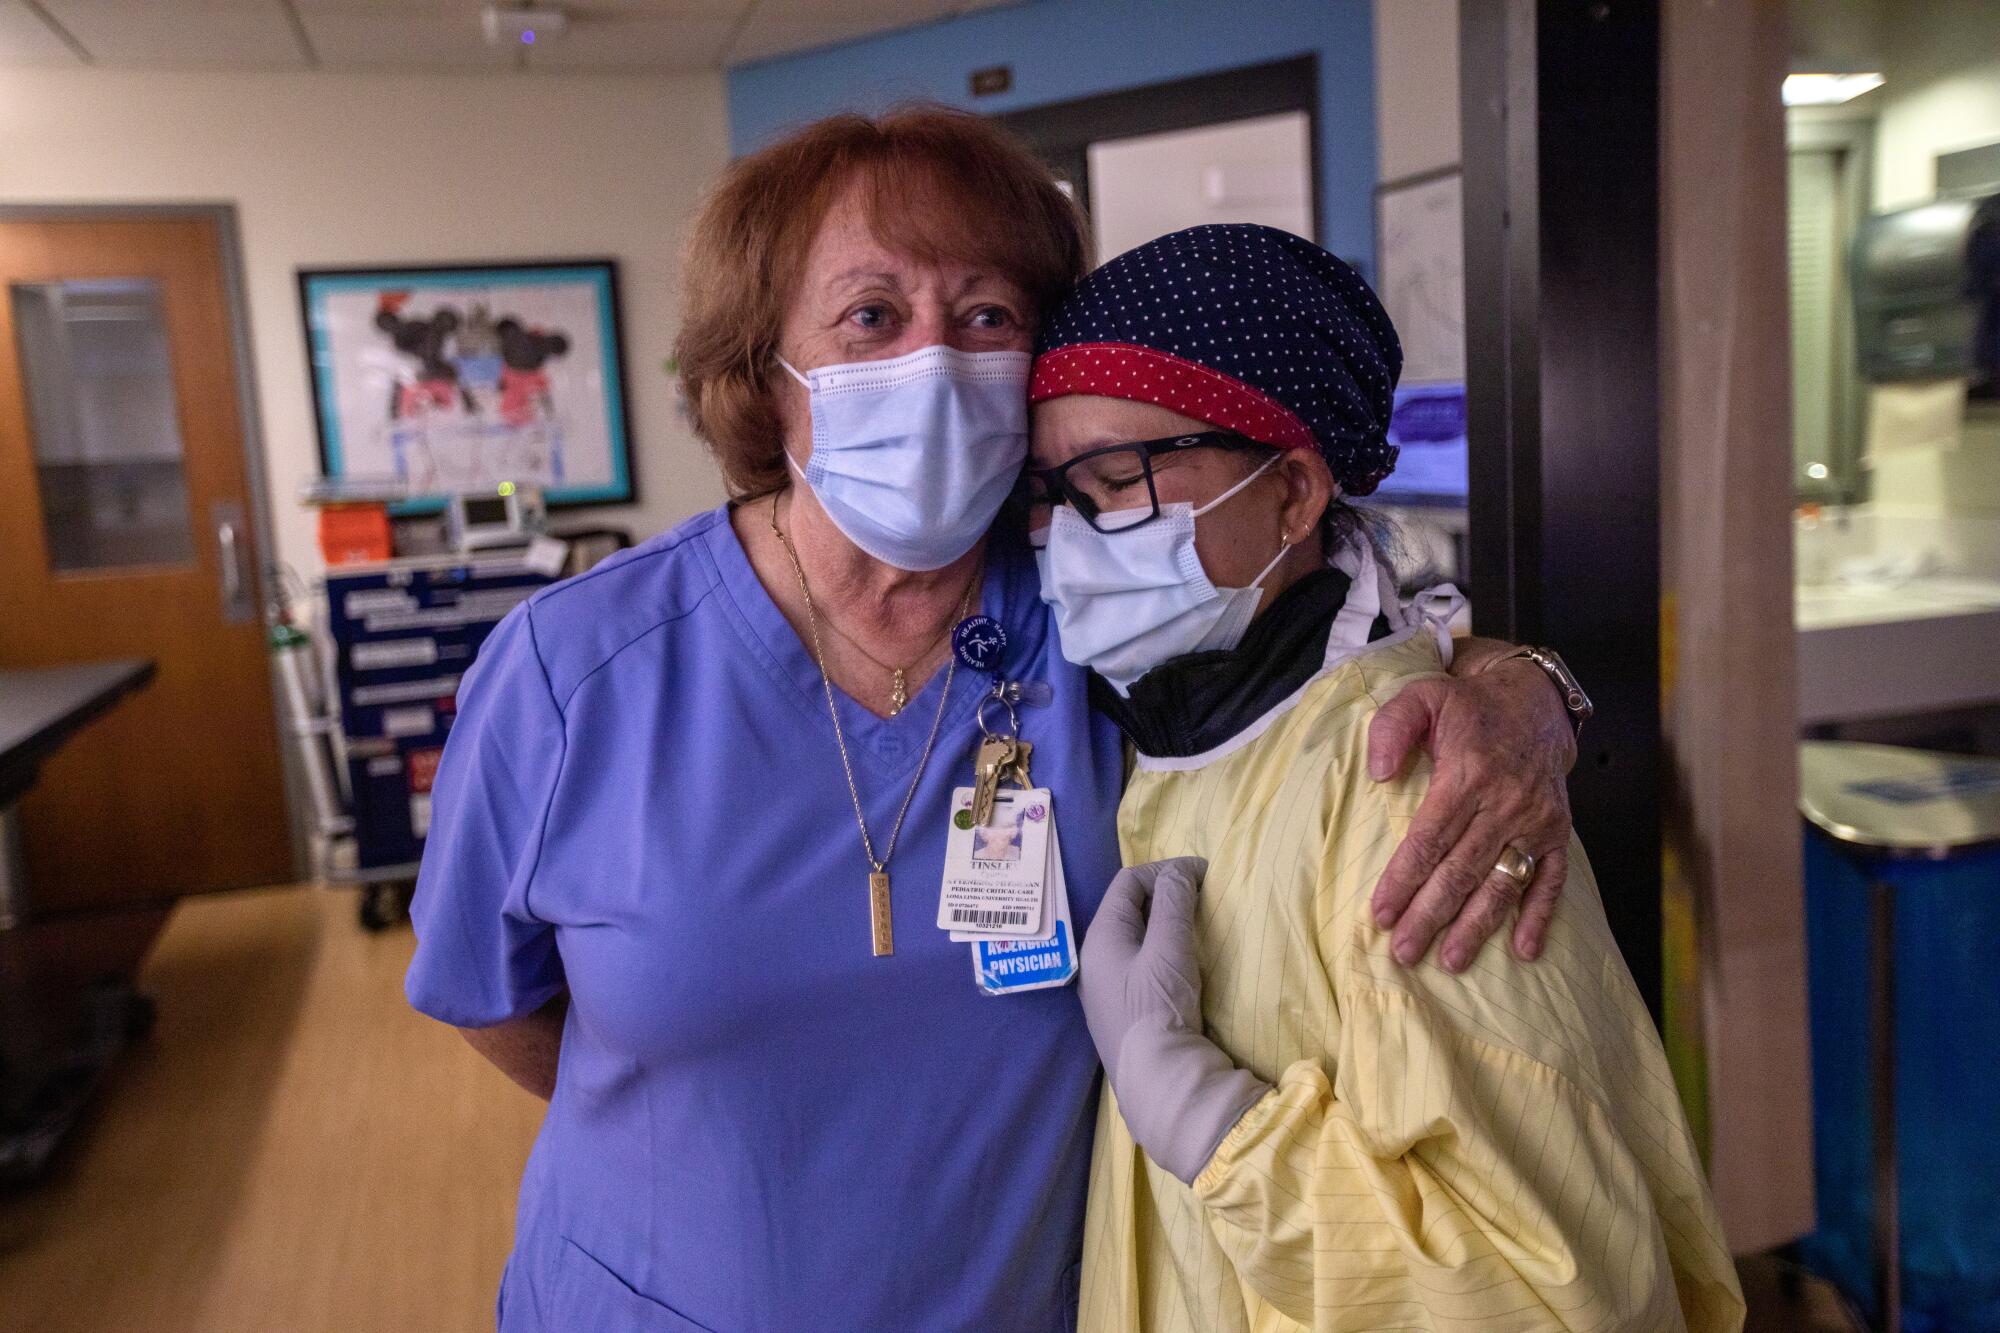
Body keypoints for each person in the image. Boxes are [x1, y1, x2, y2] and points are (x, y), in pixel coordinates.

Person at [405, 108, 1586, 1331]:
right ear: (767, 369)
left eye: (984, 317)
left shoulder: (1097, 612)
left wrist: (1525, 687)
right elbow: (489, 998)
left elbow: (1334, 613)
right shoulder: (575, 668)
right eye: (871, 314)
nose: (932, 359)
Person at [1028, 224, 1745, 1331]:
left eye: (1118, 478)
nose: (1073, 537)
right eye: (1050, 494)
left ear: (1294, 490)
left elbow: (1543, 1294)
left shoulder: (1417, 780)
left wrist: (1211, 1120)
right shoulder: (1165, 739)